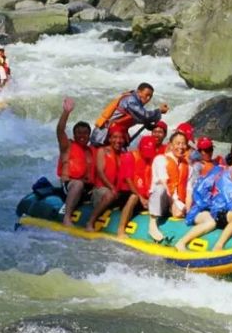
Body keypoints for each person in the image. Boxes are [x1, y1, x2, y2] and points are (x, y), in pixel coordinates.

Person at [56, 97, 94, 228]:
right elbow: (60, 130)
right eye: (79, 133)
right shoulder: (67, 146)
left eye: (85, 133)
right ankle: (67, 218)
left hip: (88, 187)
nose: (82, 136)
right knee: (78, 184)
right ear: (74, 134)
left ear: (89, 136)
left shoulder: (91, 150)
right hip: (70, 184)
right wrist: (66, 112)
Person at [91, 82, 169, 146]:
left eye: (150, 96)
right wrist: (159, 111)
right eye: (146, 95)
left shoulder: (136, 103)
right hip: (102, 135)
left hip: (115, 137)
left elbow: (139, 118)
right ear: (138, 92)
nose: (148, 98)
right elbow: (144, 115)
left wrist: (150, 124)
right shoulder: (130, 100)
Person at [147, 130, 190, 243]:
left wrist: (189, 208)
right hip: (163, 198)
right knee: (160, 188)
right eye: (178, 143)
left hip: (177, 199)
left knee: (180, 213)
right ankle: (152, 224)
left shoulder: (187, 164)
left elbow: (189, 187)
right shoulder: (161, 160)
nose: (181, 147)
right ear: (170, 146)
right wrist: (176, 203)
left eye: (183, 143)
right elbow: (165, 184)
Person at [85, 124, 127, 231]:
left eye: (121, 138)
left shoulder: (124, 155)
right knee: (109, 195)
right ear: (109, 139)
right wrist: (112, 188)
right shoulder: (102, 151)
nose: (118, 140)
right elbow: (100, 172)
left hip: (117, 191)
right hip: (101, 190)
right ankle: (90, 222)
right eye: (115, 137)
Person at [115, 135, 157, 239]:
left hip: (143, 196)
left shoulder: (152, 160)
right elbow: (129, 180)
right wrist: (141, 198)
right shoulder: (129, 157)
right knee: (134, 197)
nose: (147, 155)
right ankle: (121, 229)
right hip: (126, 194)